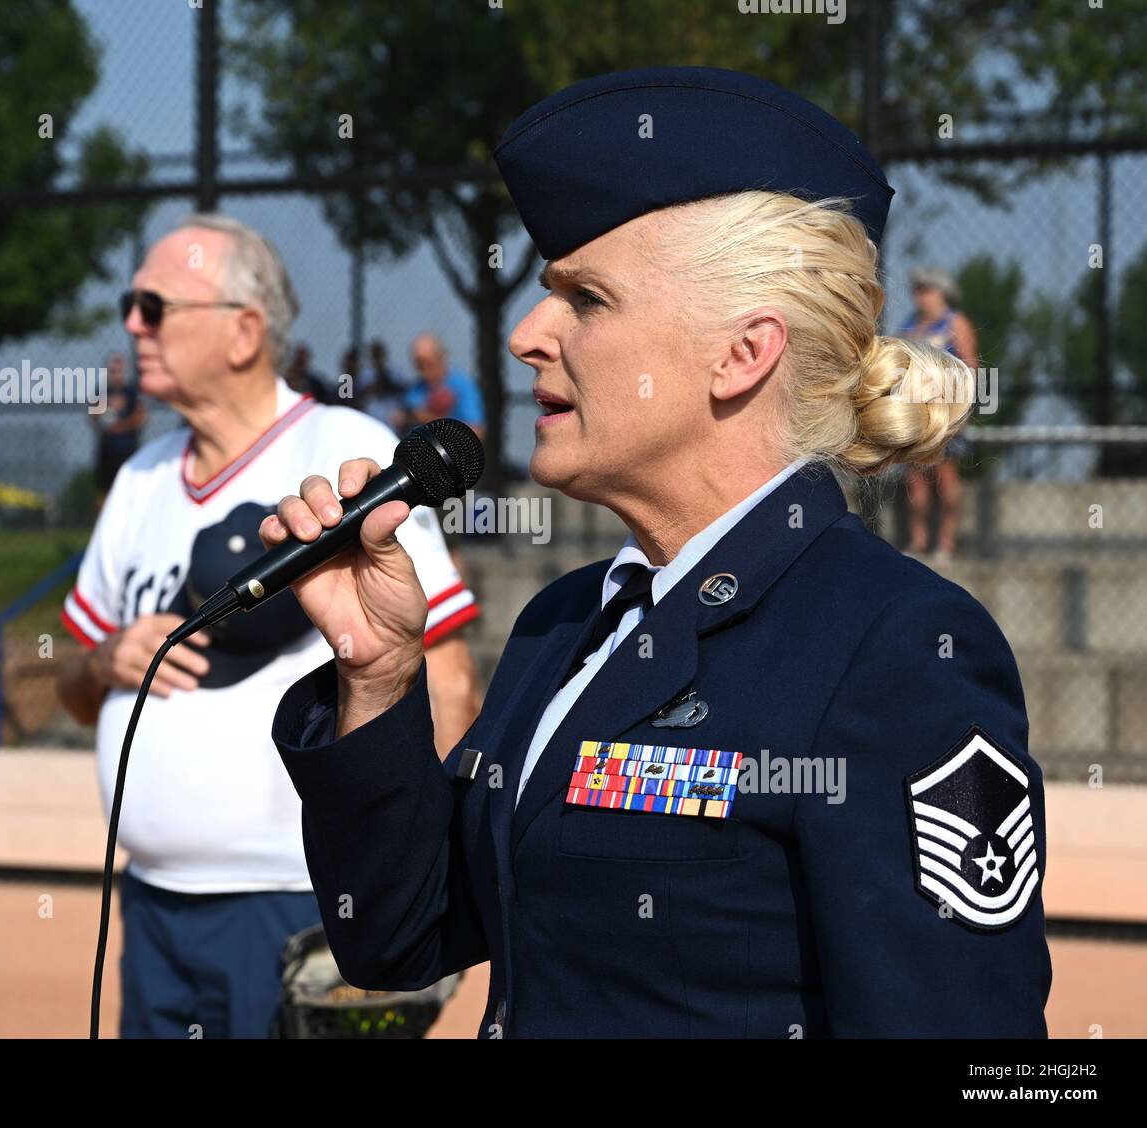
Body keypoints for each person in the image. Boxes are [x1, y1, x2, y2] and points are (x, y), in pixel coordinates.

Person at [263, 68, 1051, 1039]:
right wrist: (377, 680)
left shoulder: (893, 649)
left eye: (584, 299)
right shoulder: (567, 622)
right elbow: (396, 941)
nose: (525, 335)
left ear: (740, 354)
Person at [54, 213, 482, 1038]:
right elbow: (71, 692)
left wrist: (418, 889)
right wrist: (104, 659)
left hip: (304, 910)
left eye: (154, 305)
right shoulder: (142, 476)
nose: (131, 323)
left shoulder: (344, 448)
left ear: (245, 331)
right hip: (152, 906)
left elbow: (450, 675)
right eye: (130, 303)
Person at [900, 267, 980, 559]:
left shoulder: (955, 323)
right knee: (916, 480)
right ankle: (918, 542)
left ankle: (946, 543)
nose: (919, 296)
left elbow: (971, 367)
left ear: (941, 292)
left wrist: (962, 410)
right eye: (917, 290)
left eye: (926, 289)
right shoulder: (911, 326)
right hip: (918, 415)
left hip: (947, 414)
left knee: (946, 479)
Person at [394, 333, 486, 441]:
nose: (421, 367)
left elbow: (477, 431)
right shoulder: (415, 390)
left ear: (440, 357)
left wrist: (429, 419)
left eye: (426, 361)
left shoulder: (463, 386)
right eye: (417, 362)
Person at [91, 353, 146, 506]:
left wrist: (122, 426)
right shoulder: (101, 392)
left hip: (127, 446)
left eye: (118, 370)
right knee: (105, 488)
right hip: (107, 446)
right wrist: (104, 421)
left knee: (131, 484)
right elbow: (93, 415)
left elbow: (140, 416)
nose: (115, 373)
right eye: (112, 370)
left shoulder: (132, 392)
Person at [356, 339, 409, 433]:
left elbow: (404, 389)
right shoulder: (366, 374)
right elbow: (359, 393)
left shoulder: (394, 371)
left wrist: (388, 384)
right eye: (375, 354)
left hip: (392, 417)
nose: (378, 357)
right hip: (372, 415)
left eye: (379, 354)